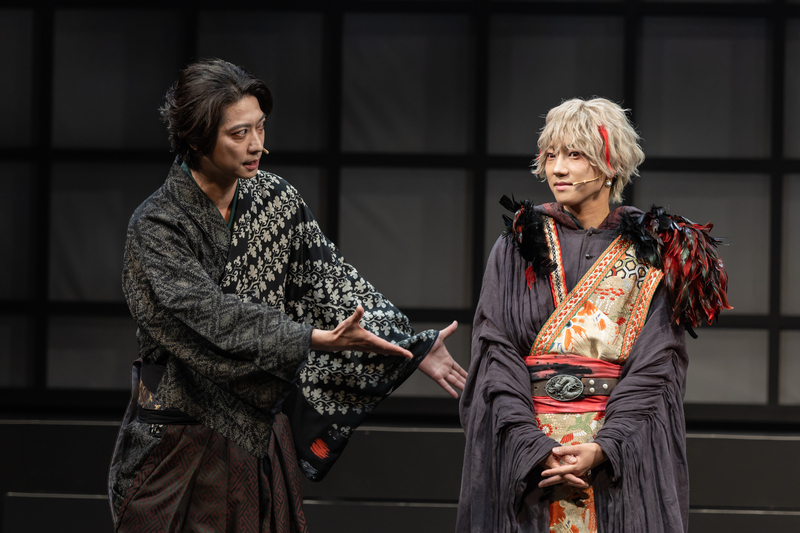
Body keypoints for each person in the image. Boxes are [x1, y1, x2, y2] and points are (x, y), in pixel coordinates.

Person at [107, 58, 467, 532]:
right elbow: (211, 315)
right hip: (178, 435)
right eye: (239, 133)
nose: (257, 144)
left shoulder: (275, 200)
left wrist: (409, 345)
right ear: (195, 139)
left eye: (260, 127)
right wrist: (310, 338)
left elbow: (333, 282)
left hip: (258, 437)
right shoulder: (158, 224)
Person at [457, 97, 730, 532]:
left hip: (617, 453)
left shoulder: (652, 251)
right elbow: (495, 349)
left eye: (575, 155)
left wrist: (605, 447)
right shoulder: (517, 245)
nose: (558, 169)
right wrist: (532, 445)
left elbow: (658, 364)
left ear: (610, 164)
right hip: (529, 451)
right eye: (551, 155)